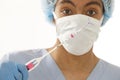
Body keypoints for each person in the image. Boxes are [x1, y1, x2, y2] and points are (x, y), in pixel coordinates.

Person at [0, 0, 120, 80]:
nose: (78, 21)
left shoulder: (115, 76)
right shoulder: (15, 65)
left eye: (91, 12)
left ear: (103, 18)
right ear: (53, 16)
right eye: (67, 11)